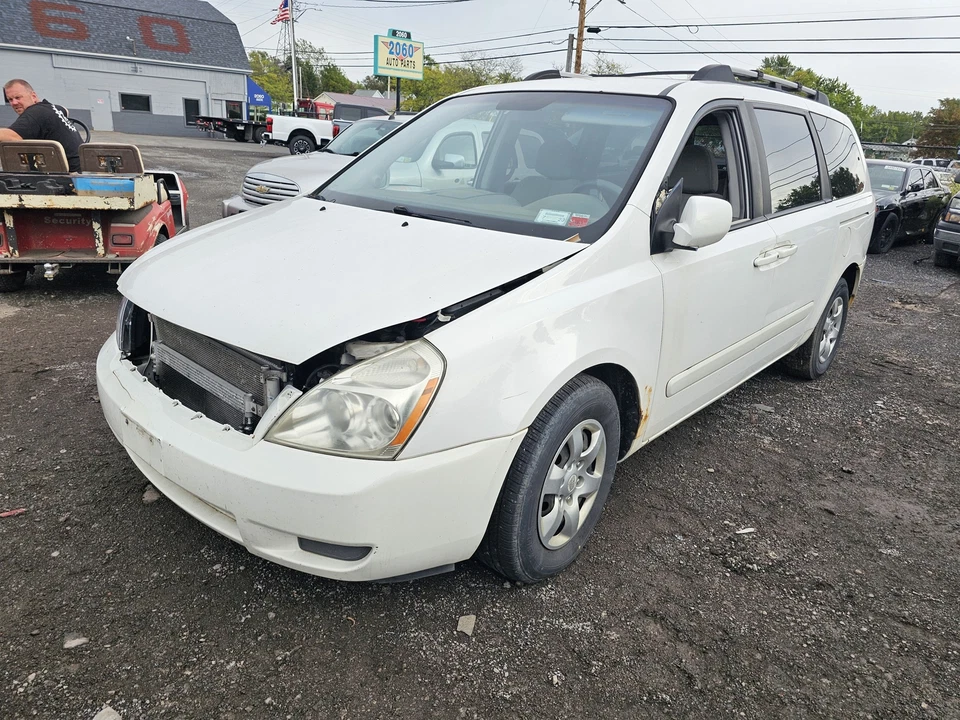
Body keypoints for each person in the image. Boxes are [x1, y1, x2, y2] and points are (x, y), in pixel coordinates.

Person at [0, 79, 82, 172]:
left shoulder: (34, 113)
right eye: (10, 99)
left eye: (18, 97)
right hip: (81, 168)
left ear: (33, 96)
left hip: (68, 174)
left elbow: (12, 136)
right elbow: (65, 110)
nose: (14, 103)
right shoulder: (49, 107)